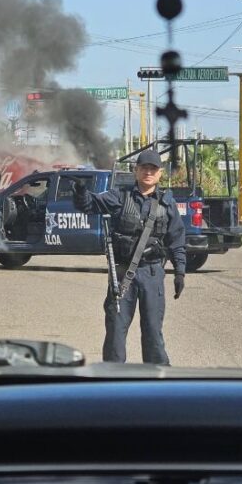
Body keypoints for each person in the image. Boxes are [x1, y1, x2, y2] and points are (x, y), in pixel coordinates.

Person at [72, 149, 186, 365]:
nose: (148, 172)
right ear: (136, 171)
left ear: (160, 173)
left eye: (153, 169)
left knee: (153, 331)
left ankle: (158, 381)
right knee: (115, 331)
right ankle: (112, 384)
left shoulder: (166, 204)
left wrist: (180, 272)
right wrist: (80, 190)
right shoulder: (119, 197)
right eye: (144, 168)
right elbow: (89, 205)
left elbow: (177, 240)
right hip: (124, 275)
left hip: (153, 274)